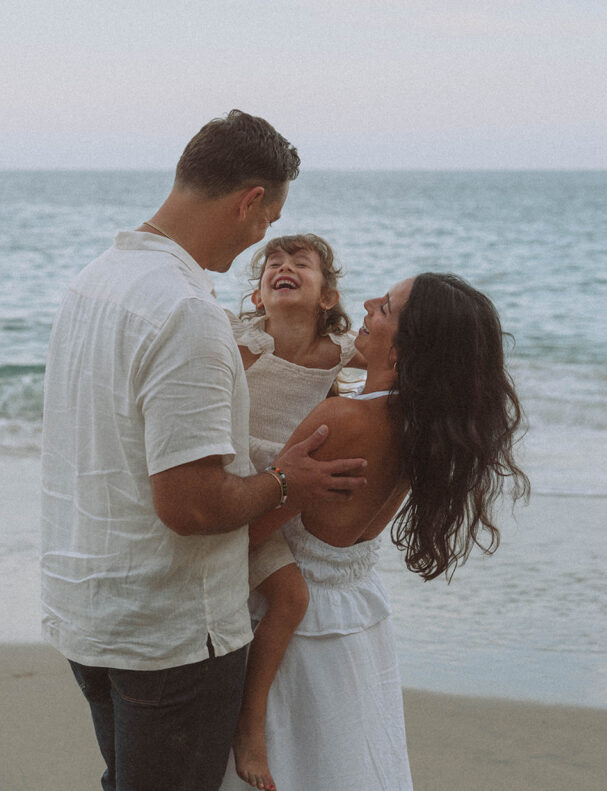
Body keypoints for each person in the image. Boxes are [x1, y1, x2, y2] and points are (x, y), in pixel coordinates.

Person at [40, 110, 367, 791]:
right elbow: (189, 505)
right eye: (268, 221)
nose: (265, 236)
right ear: (251, 201)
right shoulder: (186, 311)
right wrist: (285, 481)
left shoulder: (92, 281)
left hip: (90, 612)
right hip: (169, 634)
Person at [220, 272, 530, 791]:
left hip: (296, 628)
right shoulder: (424, 426)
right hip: (356, 615)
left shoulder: (343, 418)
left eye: (384, 307)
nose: (366, 305)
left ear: (408, 346)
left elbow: (251, 535)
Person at [226, 233, 365, 790]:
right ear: (258, 297)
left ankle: (249, 719)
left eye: (299, 264)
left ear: (327, 296)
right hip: (239, 481)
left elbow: (395, 370)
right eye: (272, 266)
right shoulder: (244, 344)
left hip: (287, 489)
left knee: (290, 596)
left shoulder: (342, 352)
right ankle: (243, 718)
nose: (283, 268)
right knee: (276, 591)